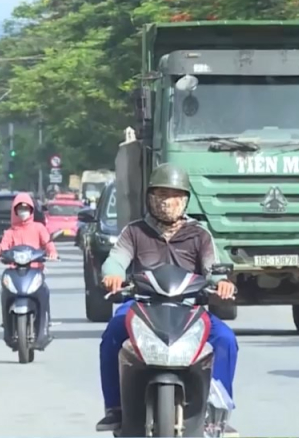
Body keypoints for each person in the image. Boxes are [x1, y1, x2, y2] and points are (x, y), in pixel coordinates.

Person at [95, 163, 238, 434]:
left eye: (174, 195)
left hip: (189, 308)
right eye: (160, 194)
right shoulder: (134, 231)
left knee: (225, 339)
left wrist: (222, 283)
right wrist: (113, 275)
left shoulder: (200, 234)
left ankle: (217, 410)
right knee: (113, 333)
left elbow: (213, 269)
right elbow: (116, 260)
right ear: (149, 197)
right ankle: (115, 408)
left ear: (185, 200)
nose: (166, 202)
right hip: (142, 306)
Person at [0, 193, 58, 346]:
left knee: (44, 292)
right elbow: (3, 247)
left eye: (26, 208)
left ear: (31, 210)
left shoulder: (39, 228)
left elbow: (48, 243)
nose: (23, 212)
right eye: (20, 209)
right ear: (15, 211)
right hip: (15, 271)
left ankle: (45, 324)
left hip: (34, 270)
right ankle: (7, 325)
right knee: (5, 292)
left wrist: (52, 252)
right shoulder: (10, 232)